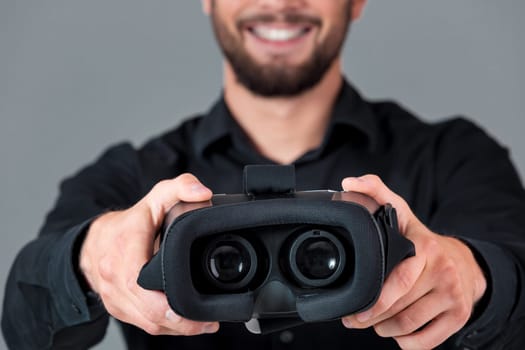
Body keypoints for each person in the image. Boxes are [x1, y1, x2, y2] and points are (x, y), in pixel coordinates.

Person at [3, 0, 525, 349]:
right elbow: (22, 319)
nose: (279, 2)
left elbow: (516, 270)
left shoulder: (452, 156)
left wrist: (472, 276)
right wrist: (92, 259)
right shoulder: (133, 177)